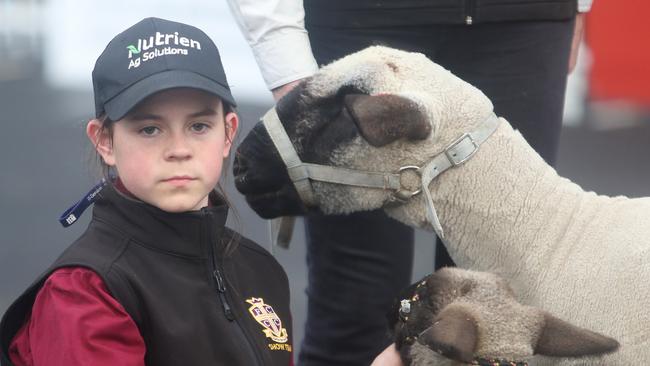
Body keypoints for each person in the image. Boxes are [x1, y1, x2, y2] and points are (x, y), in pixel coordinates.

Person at [227, 0, 591, 365]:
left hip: (521, 22)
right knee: (355, 312)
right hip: (361, 26)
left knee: (489, 321)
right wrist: (286, 61)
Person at [0, 17, 294, 366]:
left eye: (199, 126)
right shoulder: (84, 291)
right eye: (150, 130)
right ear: (104, 141)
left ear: (228, 133)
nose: (179, 149)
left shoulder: (260, 270)